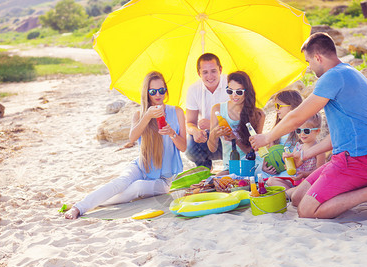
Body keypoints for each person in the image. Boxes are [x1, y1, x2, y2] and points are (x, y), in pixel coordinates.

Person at [249, 32, 367, 219]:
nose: (310, 67)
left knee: (306, 210)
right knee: (297, 198)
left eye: (309, 62)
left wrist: (266, 137)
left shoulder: (333, 77)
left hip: (357, 160)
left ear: (318, 57)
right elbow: (338, 137)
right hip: (354, 158)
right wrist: (303, 155)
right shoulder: (352, 73)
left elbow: (297, 116)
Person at [65, 71, 186, 219]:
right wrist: (147, 116)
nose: (158, 95)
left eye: (161, 90)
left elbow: (183, 147)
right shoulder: (140, 115)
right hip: (141, 166)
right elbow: (132, 138)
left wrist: (172, 133)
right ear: (146, 93)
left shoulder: (177, 112)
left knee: (138, 187)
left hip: (163, 179)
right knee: (120, 183)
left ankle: (95, 202)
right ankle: (79, 207)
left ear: (166, 90)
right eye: (153, 91)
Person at [207, 71, 265, 175]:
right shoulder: (218, 110)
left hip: (251, 166)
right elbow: (212, 149)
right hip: (229, 167)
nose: (234, 96)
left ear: (247, 92)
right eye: (230, 91)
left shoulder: (258, 115)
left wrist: (235, 139)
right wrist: (213, 135)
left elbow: (253, 152)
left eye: (239, 92)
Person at [185, 53, 229, 170]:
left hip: (231, 135)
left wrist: (212, 124)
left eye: (213, 71)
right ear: (199, 73)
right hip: (209, 138)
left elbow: (240, 120)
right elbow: (189, 123)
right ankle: (205, 169)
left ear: (220, 69)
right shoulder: (194, 90)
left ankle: (230, 167)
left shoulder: (231, 84)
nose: (210, 76)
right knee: (191, 148)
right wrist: (195, 131)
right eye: (205, 72)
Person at [267, 114, 326, 199]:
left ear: (317, 131)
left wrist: (304, 174)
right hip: (296, 182)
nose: (302, 134)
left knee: (289, 193)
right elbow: (293, 167)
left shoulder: (319, 149)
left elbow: (319, 172)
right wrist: (287, 161)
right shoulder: (298, 146)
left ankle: (292, 194)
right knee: (271, 180)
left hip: (308, 183)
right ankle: (292, 193)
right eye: (298, 130)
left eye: (306, 131)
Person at [262, 90, 302, 176]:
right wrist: (266, 166)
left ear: (292, 107)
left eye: (279, 106)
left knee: (285, 176)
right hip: (278, 167)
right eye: (275, 106)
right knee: (260, 173)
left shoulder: (300, 129)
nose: (276, 109)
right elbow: (271, 151)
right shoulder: (277, 129)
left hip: (293, 167)